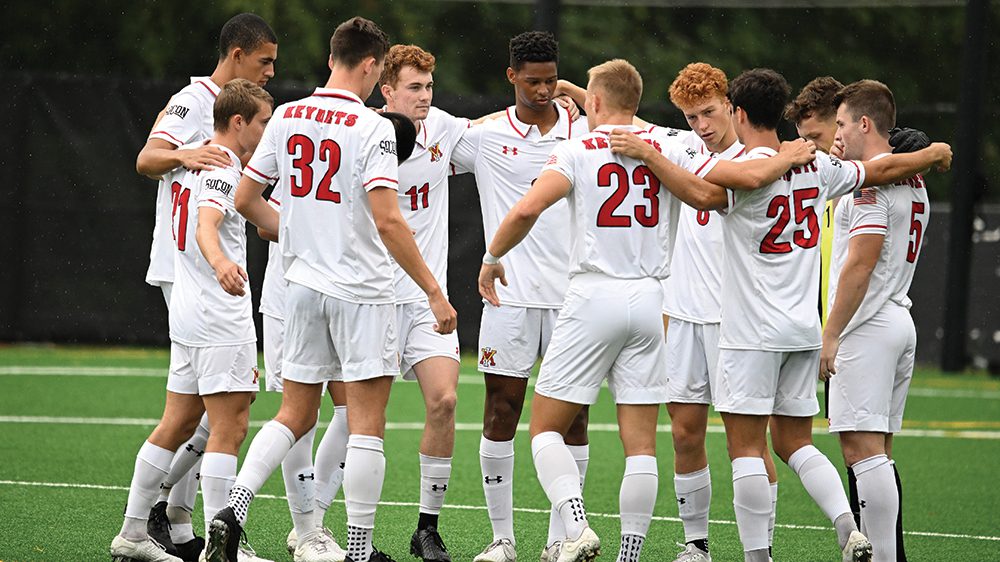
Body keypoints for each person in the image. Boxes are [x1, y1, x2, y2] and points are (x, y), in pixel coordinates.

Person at [481, 58, 818, 562]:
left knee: (545, 428)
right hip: (652, 300)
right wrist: (786, 155)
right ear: (639, 105)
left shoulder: (576, 148)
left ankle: (574, 525)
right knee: (640, 444)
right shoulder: (671, 145)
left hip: (595, 295)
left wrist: (491, 258)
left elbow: (529, 207)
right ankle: (630, 553)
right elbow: (720, 184)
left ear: (592, 103)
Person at [609, 68, 951, 562]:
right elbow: (877, 171)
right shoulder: (820, 166)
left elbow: (713, 188)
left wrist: (650, 155)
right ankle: (849, 527)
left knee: (746, 449)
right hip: (804, 329)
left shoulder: (735, 167)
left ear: (737, 112)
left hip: (750, 331)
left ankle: (757, 557)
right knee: (795, 442)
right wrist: (932, 154)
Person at [210, 16, 456, 562]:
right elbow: (389, 222)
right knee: (367, 425)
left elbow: (246, 200)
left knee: (294, 414)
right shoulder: (372, 128)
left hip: (298, 287)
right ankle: (359, 549)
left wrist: (292, 230)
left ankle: (233, 510)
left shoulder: (289, 115)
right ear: (371, 67)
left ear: (331, 59)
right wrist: (434, 293)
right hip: (362, 290)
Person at [111, 78, 274, 562]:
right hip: (217, 312)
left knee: (178, 421)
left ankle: (133, 533)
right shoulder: (223, 163)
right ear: (239, 122)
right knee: (230, 426)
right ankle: (222, 548)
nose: (268, 131)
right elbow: (207, 224)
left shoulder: (192, 159)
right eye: (264, 122)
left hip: (187, 310)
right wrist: (223, 262)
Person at [450, 31, 591, 562]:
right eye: (532, 81)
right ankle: (503, 539)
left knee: (571, 418)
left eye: (551, 79)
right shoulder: (483, 135)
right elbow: (423, 150)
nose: (543, 90)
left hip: (572, 299)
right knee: (501, 409)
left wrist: (571, 90)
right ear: (511, 77)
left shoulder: (582, 128)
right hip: (508, 299)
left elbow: (618, 109)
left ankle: (563, 540)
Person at [821, 80, 929, 562]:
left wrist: (830, 334)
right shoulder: (915, 177)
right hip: (898, 318)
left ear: (864, 123)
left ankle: (884, 557)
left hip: (868, 327)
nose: (837, 132)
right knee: (877, 453)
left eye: (841, 122)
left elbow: (860, 264)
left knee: (862, 455)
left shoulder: (872, 184)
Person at [378, 43, 474, 562]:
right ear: (387, 89)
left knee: (445, 401)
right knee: (353, 421)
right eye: (413, 87)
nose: (424, 96)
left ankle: (426, 528)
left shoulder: (442, 127)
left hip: (424, 303)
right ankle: (319, 528)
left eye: (429, 86)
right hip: (371, 297)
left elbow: (498, 132)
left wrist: (566, 101)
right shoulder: (366, 133)